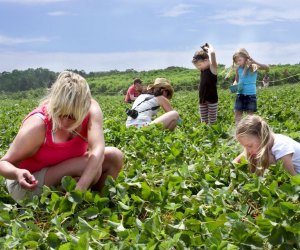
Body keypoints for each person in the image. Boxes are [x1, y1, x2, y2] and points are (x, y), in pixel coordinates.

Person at [0, 71, 123, 204]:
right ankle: (67, 202)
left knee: (114, 157)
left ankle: (95, 202)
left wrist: (81, 187)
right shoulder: (37, 125)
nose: (64, 122)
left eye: (72, 117)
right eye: (60, 113)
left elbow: (98, 149)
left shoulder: (92, 110)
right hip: (27, 185)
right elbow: (3, 163)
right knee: (90, 166)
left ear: (84, 108)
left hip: (63, 171)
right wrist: (17, 173)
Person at [233, 115, 300, 176]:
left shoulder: (281, 148)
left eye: (250, 146)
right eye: (244, 146)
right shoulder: (260, 143)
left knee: (269, 159)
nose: (247, 150)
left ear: (262, 136)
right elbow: (234, 163)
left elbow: (293, 179)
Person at [230, 48, 269, 125]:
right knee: (237, 113)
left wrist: (253, 61)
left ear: (246, 58)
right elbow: (236, 80)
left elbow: (266, 67)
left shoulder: (253, 67)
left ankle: (249, 131)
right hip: (240, 94)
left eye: (239, 60)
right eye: (236, 61)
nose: (238, 62)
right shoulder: (238, 69)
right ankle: (238, 130)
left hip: (250, 95)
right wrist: (234, 85)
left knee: (250, 116)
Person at [192, 43, 218, 124]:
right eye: (197, 66)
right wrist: (204, 50)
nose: (198, 67)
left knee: (212, 120)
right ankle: (205, 134)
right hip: (202, 99)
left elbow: (212, 54)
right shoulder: (202, 70)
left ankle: (213, 134)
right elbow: (204, 57)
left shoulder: (213, 69)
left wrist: (209, 46)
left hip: (212, 99)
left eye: (199, 65)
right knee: (203, 121)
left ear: (206, 61)